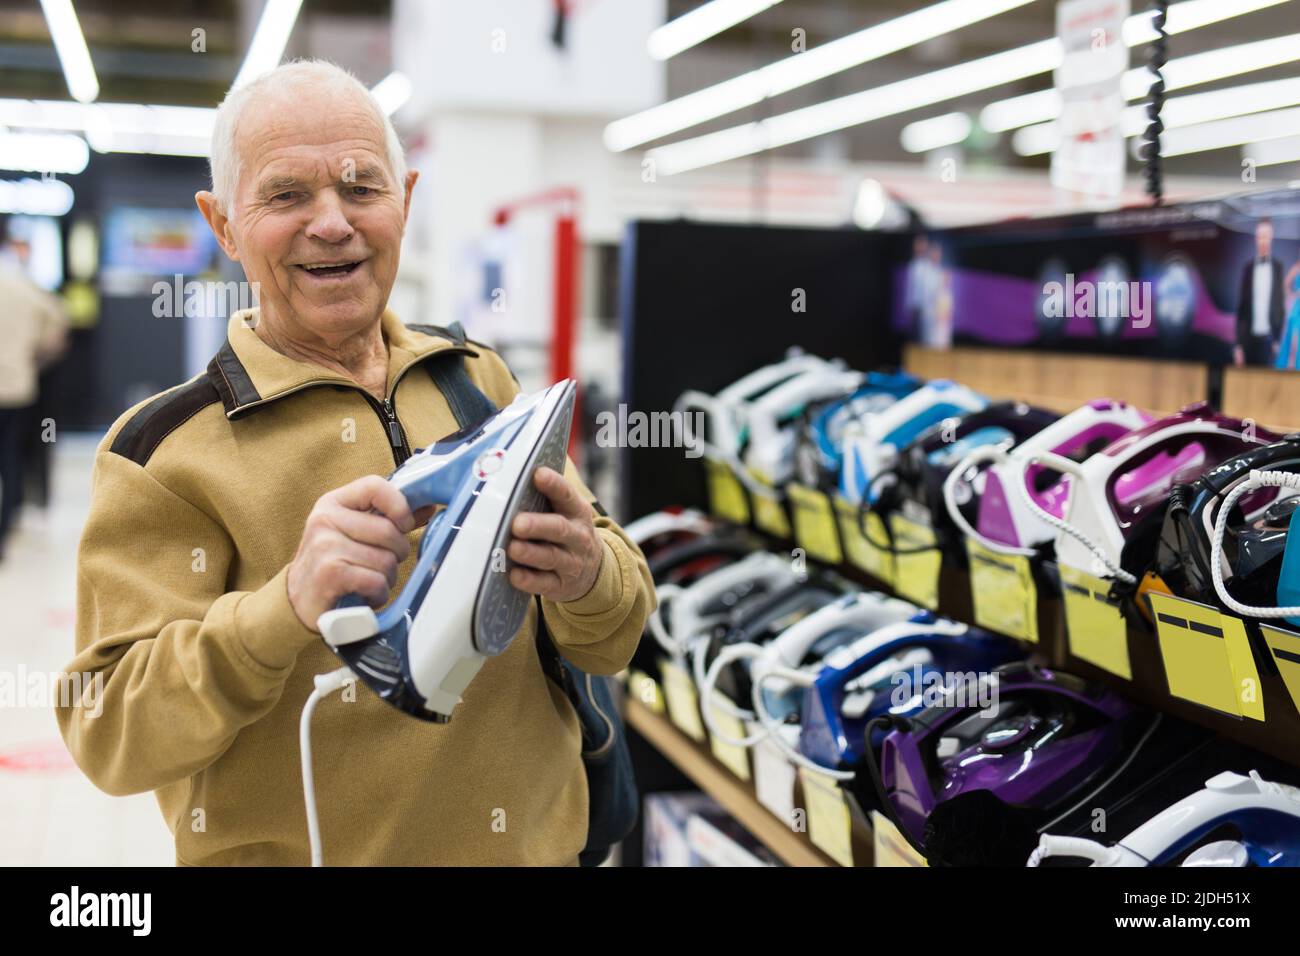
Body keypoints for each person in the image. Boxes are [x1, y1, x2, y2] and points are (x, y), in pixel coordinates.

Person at [56, 60, 655, 866]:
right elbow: (109, 733)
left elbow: (613, 635)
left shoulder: (477, 379)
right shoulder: (163, 452)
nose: (332, 222)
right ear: (223, 224)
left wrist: (587, 574)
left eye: (360, 187)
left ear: (404, 199)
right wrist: (282, 610)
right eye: (286, 194)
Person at [0, 217, 67, 560]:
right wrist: (35, 358)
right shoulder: (25, 285)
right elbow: (57, 324)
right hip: (15, 385)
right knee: (11, 456)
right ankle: (6, 524)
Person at [1234, 218, 1285, 366]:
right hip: (1249, 341)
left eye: (1266, 236)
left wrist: (1278, 339)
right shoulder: (1247, 268)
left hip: (1270, 341)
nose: (1263, 240)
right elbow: (1241, 309)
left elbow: (1279, 305)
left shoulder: (1278, 267)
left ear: (1271, 238)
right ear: (1256, 239)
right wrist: (1238, 346)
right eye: (1260, 236)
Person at [1276, 258, 1300, 371]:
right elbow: (1285, 284)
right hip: (1297, 308)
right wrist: (1294, 294)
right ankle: (1291, 365)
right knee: (1295, 335)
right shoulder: (1297, 267)